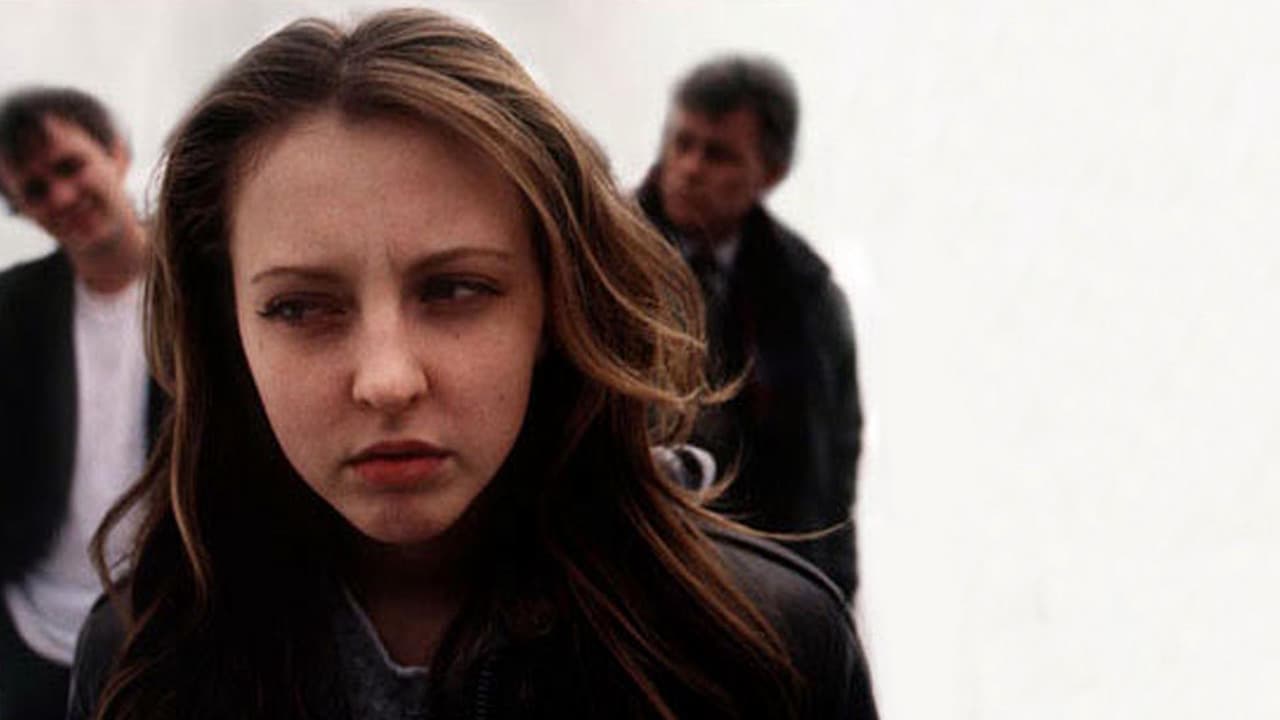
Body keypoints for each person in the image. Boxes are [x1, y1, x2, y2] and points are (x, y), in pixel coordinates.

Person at [67, 9, 877, 720]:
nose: (388, 381)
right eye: (302, 308)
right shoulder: (142, 663)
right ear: (228, 330)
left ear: (556, 307)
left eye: (456, 289)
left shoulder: (761, 651)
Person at [637, 56, 865, 599]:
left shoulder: (807, 294)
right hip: (634, 579)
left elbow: (831, 470)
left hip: (764, 588)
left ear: (770, 173)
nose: (688, 168)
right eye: (681, 143)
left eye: (717, 154)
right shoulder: (601, 260)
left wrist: (832, 600)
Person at [0, 87, 164, 719]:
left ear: (116, 152)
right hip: (33, 634)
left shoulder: (208, 282)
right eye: (36, 190)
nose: (62, 197)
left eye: (70, 166)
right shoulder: (14, 308)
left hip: (168, 625)